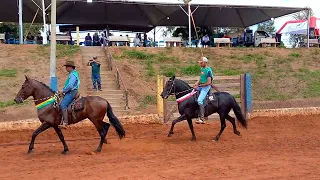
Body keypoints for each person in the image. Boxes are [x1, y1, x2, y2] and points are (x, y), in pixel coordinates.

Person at [58, 61, 80, 128]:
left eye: (67, 67)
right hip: (71, 92)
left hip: (71, 92)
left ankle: (65, 123)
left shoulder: (72, 75)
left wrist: (63, 91)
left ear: (70, 67)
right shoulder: (73, 74)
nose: (66, 68)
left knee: (63, 104)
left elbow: (70, 86)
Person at [193, 57, 214, 124]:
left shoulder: (208, 71)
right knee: (192, 92)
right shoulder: (202, 68)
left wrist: (200, 86)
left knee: (199, 100)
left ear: (205, 62)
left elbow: (209, 82)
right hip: (201, 86)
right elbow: (201, 77)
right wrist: (197, 83)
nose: (200, 64)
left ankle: (202, 118)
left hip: (206, 87)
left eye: (201, 62)